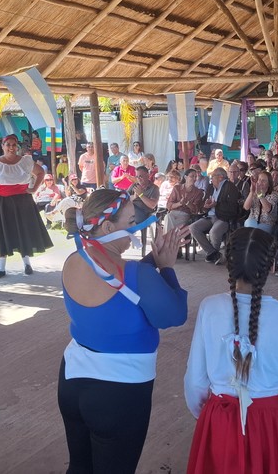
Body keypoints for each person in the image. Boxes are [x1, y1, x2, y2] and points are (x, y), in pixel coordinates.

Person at [58, 190, 189, 473]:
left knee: (79, 467)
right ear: (107, 227)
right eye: (130, 222)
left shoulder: (74, 259)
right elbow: (175, 314)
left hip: (72, 382)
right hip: (118, 393)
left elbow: (118, 281)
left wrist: (152, 260)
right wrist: (166, 268)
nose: (135, 228)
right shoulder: (137, 275)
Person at [184, 227, 278, 473]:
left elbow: (195, 380)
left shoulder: (209, 307)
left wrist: (204, 415)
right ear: (271, 267)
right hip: (272, 426)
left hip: (220, 420)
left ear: (228, 264)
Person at [0, 134, 52, 278]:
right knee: (1, 233)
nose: (11, 147)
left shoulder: (25, 161)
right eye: (8, 145)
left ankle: (27, 264)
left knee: (23, 231)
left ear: (17, 146)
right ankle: (1, 268)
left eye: (14, 145)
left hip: (22, 201)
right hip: (0, 203)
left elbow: (40, 172)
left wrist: (34, 189)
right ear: (2, 146)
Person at [190, 168, 241, 264]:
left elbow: (232, 208)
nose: (211, 178)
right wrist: (206, 205)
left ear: (220, 177)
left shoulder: (230, 187)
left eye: (213, 176)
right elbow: (205, 203)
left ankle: (213, 255)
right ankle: (213, 254)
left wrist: (216, 204)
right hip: (209, 217)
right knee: (193, 227)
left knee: (214, 232)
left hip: (223, 218)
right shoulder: (211, 187)